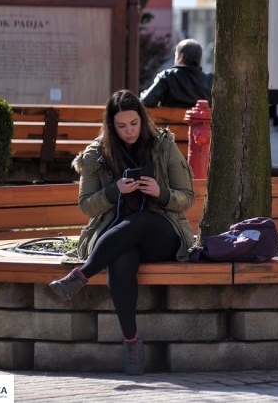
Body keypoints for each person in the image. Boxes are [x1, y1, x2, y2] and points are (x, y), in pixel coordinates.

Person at [49, 90, 196, 375]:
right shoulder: (96, 154)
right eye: (121, 125)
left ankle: (81, 275)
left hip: (161, 232)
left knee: (140, 221)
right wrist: (113, 191)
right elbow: (86, 206)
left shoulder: (162, 145)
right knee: (122, 258)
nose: (129, 131)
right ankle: (131, 342)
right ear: (111, 125)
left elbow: (187, 197)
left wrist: (160, 192)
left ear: (142, 120)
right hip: (113, 236)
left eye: (134, 123)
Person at [140, 39, 213, 108]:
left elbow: (146, 101)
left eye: (176, 55)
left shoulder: (167, 76)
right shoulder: (210, 80)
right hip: (202, 121)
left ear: (180, 57)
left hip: (167, 121)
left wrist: (143, 94)